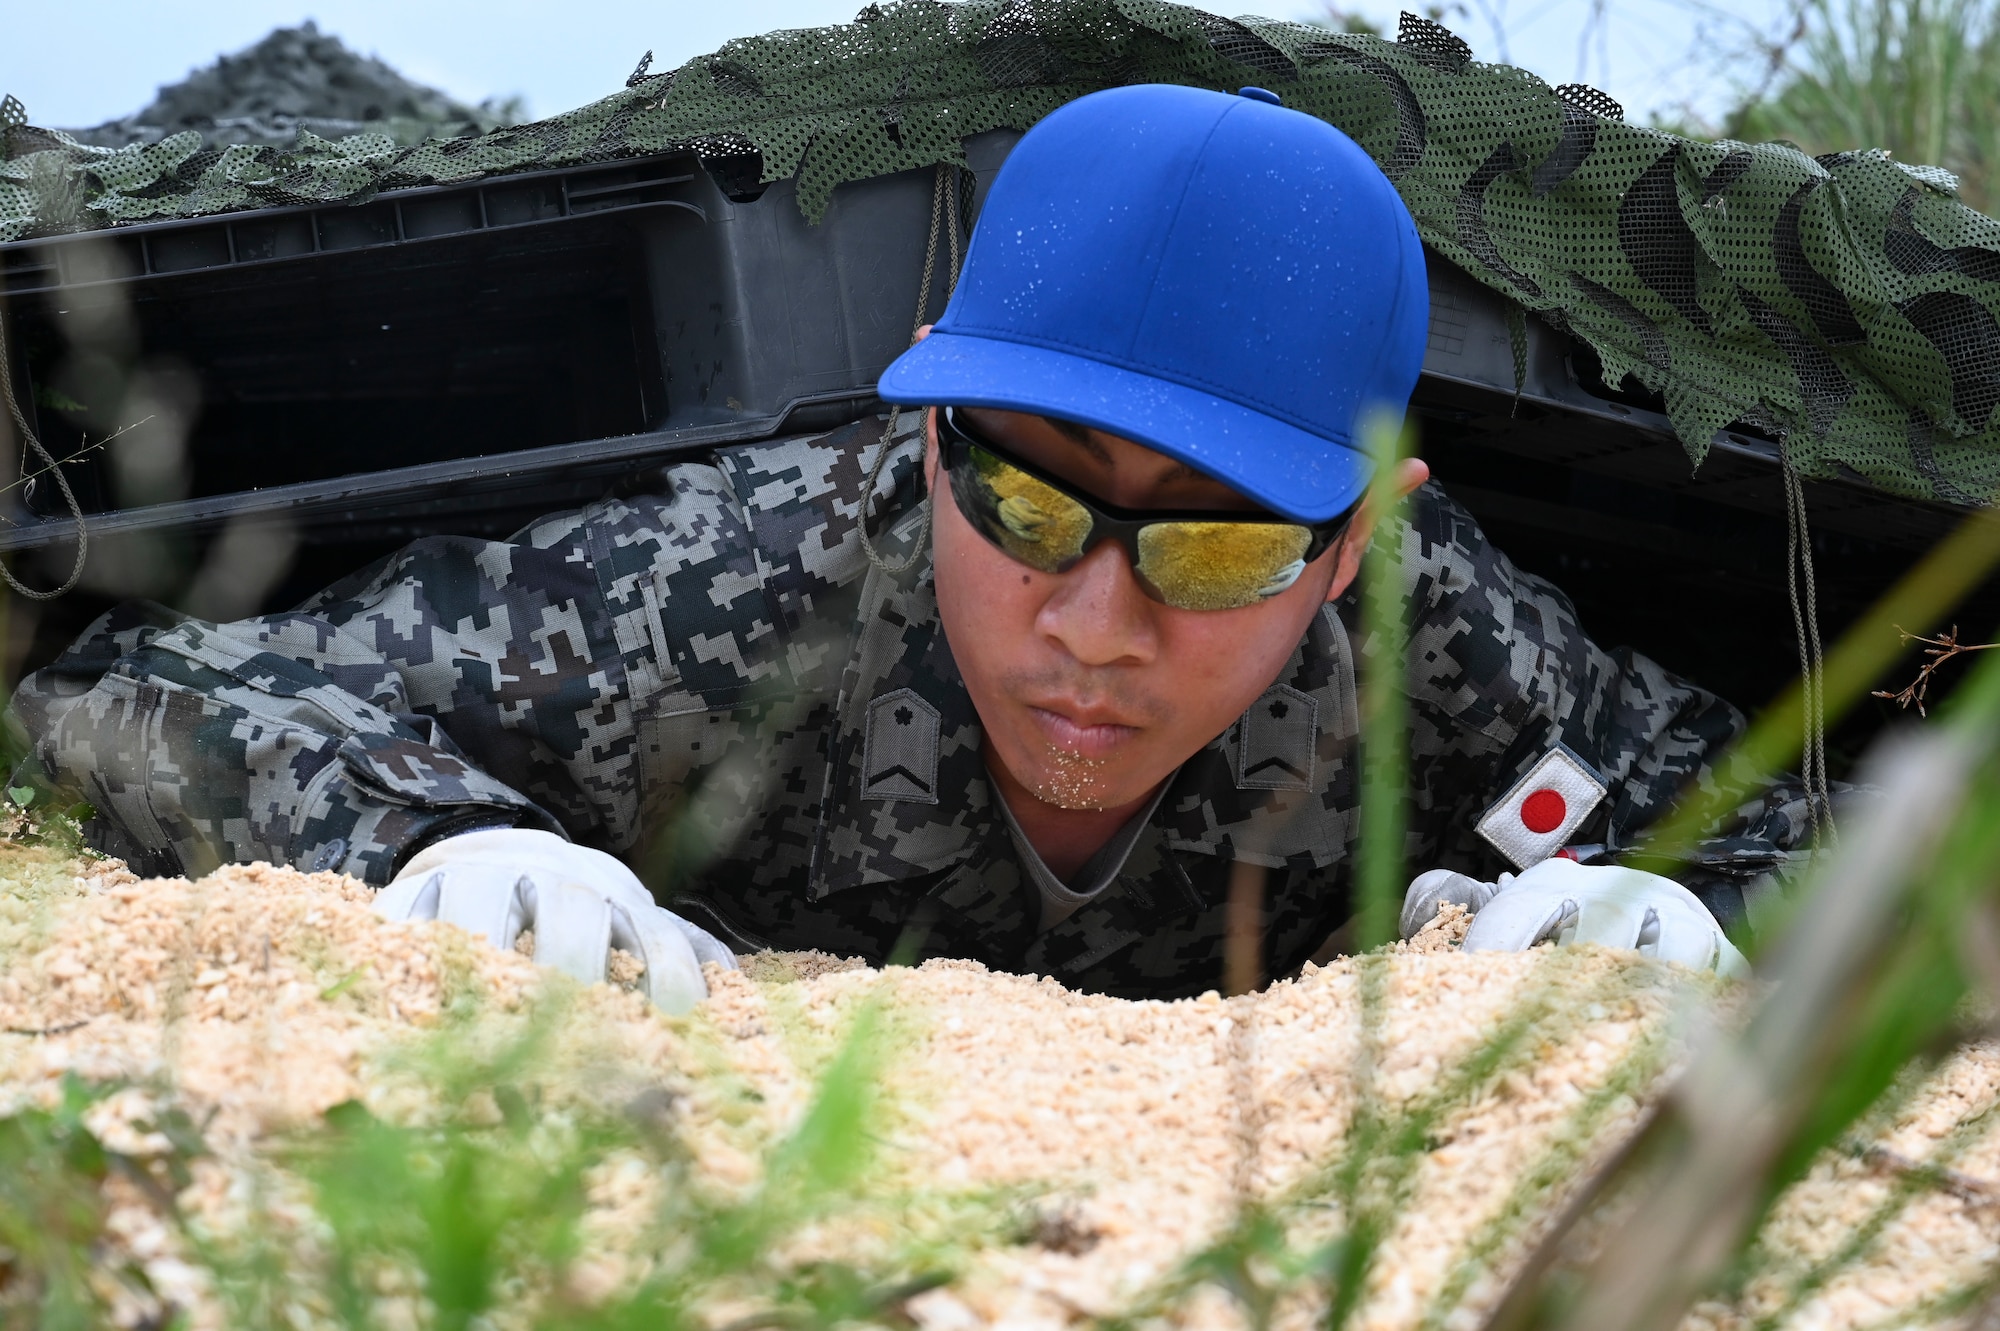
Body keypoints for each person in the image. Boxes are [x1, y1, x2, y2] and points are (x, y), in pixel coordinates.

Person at [8, 85, 1808, 1012]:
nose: (1093, 623)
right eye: (1023, 508)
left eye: (1215, 553)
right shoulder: (718, 601)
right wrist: (435, 838)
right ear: (929, 432)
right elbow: (132, 694)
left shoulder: (1433, 645)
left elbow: (1765, 794)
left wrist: (1676, 895)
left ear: (1356, 552)